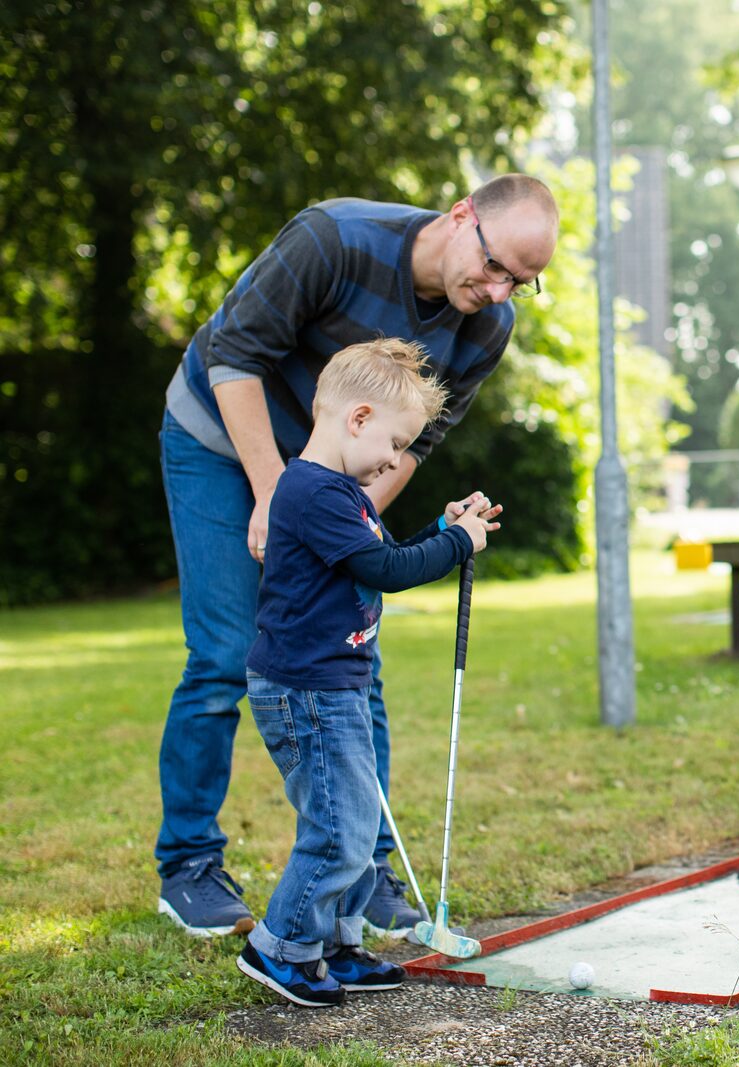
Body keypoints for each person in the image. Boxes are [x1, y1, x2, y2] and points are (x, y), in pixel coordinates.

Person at [157, 175, 557, 939]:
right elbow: (234, 357)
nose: (500, 289)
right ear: (462, 214)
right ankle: (190, 866)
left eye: (520, 283)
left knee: (352, 656)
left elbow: (414, 446)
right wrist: (281, 494)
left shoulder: (484, 327)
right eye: (496, 265)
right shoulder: (334, 238)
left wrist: (344, 524)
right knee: (223, 655)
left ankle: (365, 866)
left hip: (328, 482)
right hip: (217, 435)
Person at [235, 338, 494, 1007]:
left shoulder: (341, 493)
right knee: (341, 826)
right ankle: (282, 947)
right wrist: (458, 544)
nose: (394, 458)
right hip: (306, 689)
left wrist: (443, 526)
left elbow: (385, 552)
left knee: (355, 816)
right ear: (357, 419)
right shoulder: (313, 492)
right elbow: (386, 570)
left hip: (335, 686)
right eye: (394, 441)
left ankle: (338, 943)